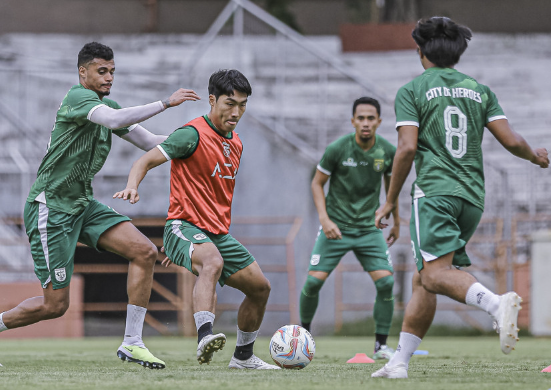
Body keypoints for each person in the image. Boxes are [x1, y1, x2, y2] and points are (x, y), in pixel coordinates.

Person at [0, 42, 199, 370]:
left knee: (144, 251)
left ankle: (132, 342)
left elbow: (152, 143)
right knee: (56, 304)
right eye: (102, 71)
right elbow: (114, 117)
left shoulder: (109, 108)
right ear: (83, 72)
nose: (108, 78)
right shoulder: (78, 99)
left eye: (112, 72)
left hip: (82, 204)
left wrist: (198, 139)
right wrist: (165, 102)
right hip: (51, 208)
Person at [371, 17, 549, 379]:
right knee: (424, 278)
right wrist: (535, 156)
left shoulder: (412, 90)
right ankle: (399, 362)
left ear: (419, 51)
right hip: (472, 198)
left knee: (435, 275)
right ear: (457, 53)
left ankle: (495, 304)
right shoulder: (480, 90)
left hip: (436, 192)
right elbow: (512, 141)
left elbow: (405, 149)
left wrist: (389, 200)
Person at [113, 69, 279, 369]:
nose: (236, 111)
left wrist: (189, 253)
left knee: (260, 288)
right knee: (212, 262)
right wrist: (132, 186)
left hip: (216, 235)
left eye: (242, 104)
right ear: (212, 100)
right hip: (183, 226)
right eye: (230, 103)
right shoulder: (191, 134)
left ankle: (243, 357)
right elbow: (145, 159)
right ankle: (205, 336)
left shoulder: (236, 143)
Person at [300, 97, 398, 360]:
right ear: (353, 121)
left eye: (371, 118)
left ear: (379, 121)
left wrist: (396, 220)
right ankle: (303, 338)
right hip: (336, 228)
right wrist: (324, 219)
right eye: (361, 118)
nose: (366, 123)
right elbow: (316, 184)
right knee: (312, 283)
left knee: (387, 283)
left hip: (368, 229)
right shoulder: (337, 149)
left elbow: (392, 189)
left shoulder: (387, 151)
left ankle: (380, 346)